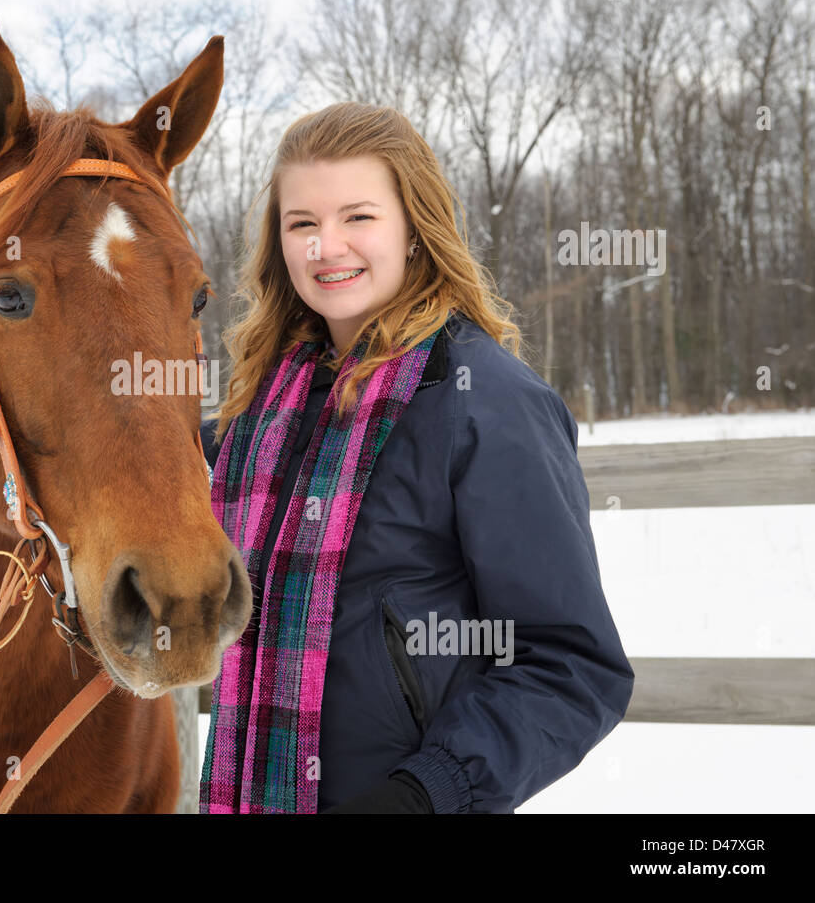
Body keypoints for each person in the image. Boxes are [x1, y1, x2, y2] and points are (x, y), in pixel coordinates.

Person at [198, 102, 633, 814]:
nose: (325, 246)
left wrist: (425, 794)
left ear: (413, 230)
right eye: (302, 223)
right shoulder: (259, 414)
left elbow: (573, 668)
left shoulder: (486, 401)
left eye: (358, 217)